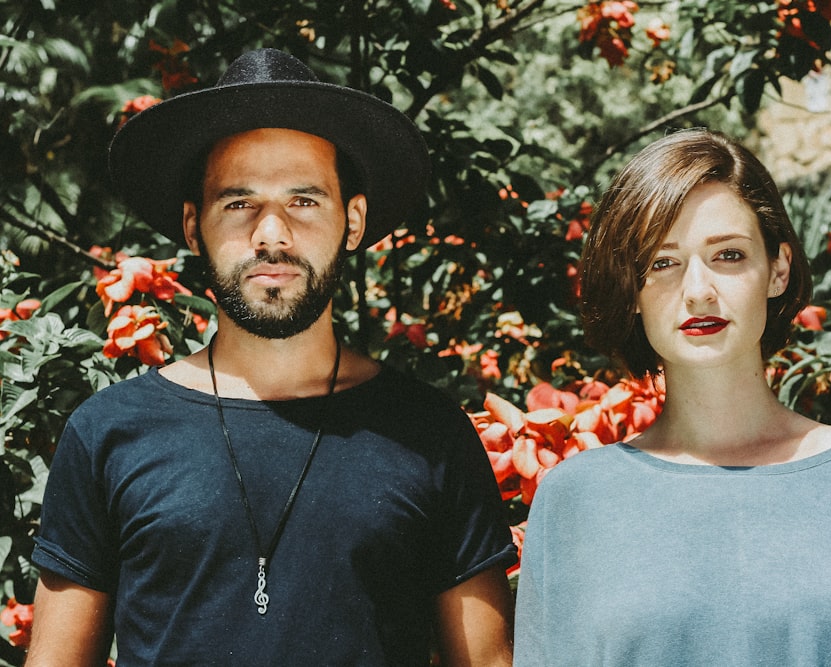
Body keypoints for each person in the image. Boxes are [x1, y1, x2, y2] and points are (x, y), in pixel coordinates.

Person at [28, 48, 516, 667]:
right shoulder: (107, 432)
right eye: (239, 204)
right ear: (191, 225)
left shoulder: (428, 433)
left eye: (304, 202)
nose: (272, 234)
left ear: (354, 220)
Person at [512, 129, 831, 665]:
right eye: (662, 262)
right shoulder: (575, 501)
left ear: (777, 270)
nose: (699, 289)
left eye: (728, 255)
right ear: (631, 288)